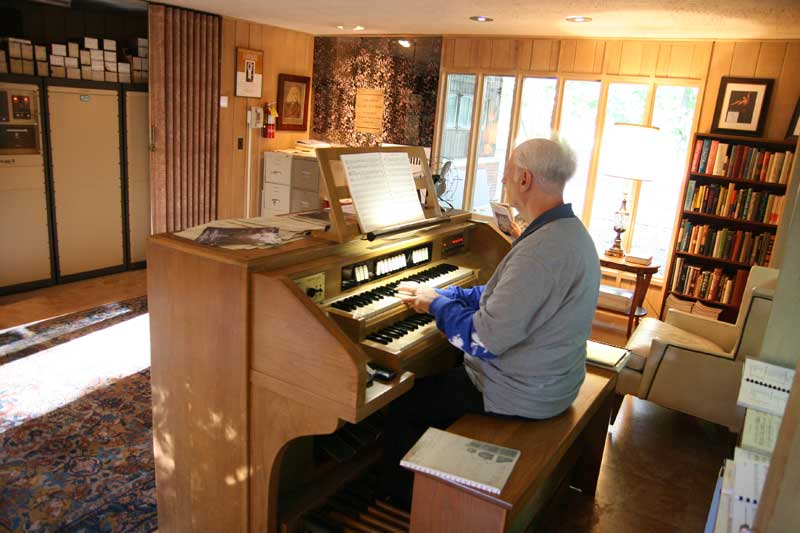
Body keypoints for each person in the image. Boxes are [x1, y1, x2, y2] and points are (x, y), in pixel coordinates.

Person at [379, 137, 601, 507]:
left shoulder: (541, 251)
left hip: (522, 393)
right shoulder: (567, 233)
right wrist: (447, 295)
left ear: (525, 179)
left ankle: (407, 505)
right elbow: (501, 295)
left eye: (509, 173)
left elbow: (484, 340)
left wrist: (435, 306)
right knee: (434, 379)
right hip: (552, 381)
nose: (504, 182)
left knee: (403, 405)